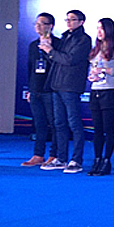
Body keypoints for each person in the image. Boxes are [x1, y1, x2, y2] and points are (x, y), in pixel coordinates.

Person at [39, 10, 91, 174]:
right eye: (67, 19)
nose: (69, 22)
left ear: (81, 22)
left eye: (72, 19)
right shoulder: (65, 37)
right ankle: (61, 158)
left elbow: (70, 60)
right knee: (59, 123)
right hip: (57, 84)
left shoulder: (84, 39)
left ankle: (76, 160)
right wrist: (48, 49)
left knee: (74, 123)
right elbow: (55, 60)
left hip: (71, 85)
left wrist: (51, 51)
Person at [86, 18, 114, 176]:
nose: (99, 32)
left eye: (102, 28)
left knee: (108, 128)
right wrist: (92, 76)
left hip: (110, 91)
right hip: (96, 90)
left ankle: (106, 160)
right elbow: (93, 68)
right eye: (97, 28)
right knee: (97, 129)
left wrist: (105, 70)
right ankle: (97, 158)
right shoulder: (96, 49)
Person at [22, 12, 60, 167]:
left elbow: (58, 65)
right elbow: (31, 68)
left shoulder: (58, 44)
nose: (38, 26)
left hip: (51, 89)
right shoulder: (33, 45)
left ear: (50, 26)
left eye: (42, 23)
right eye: (36, 24)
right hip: (36, 89)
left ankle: (54, 155)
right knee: (39, 123)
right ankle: (38, 155)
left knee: (55, 123)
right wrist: (30, 89)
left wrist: (48, 49)